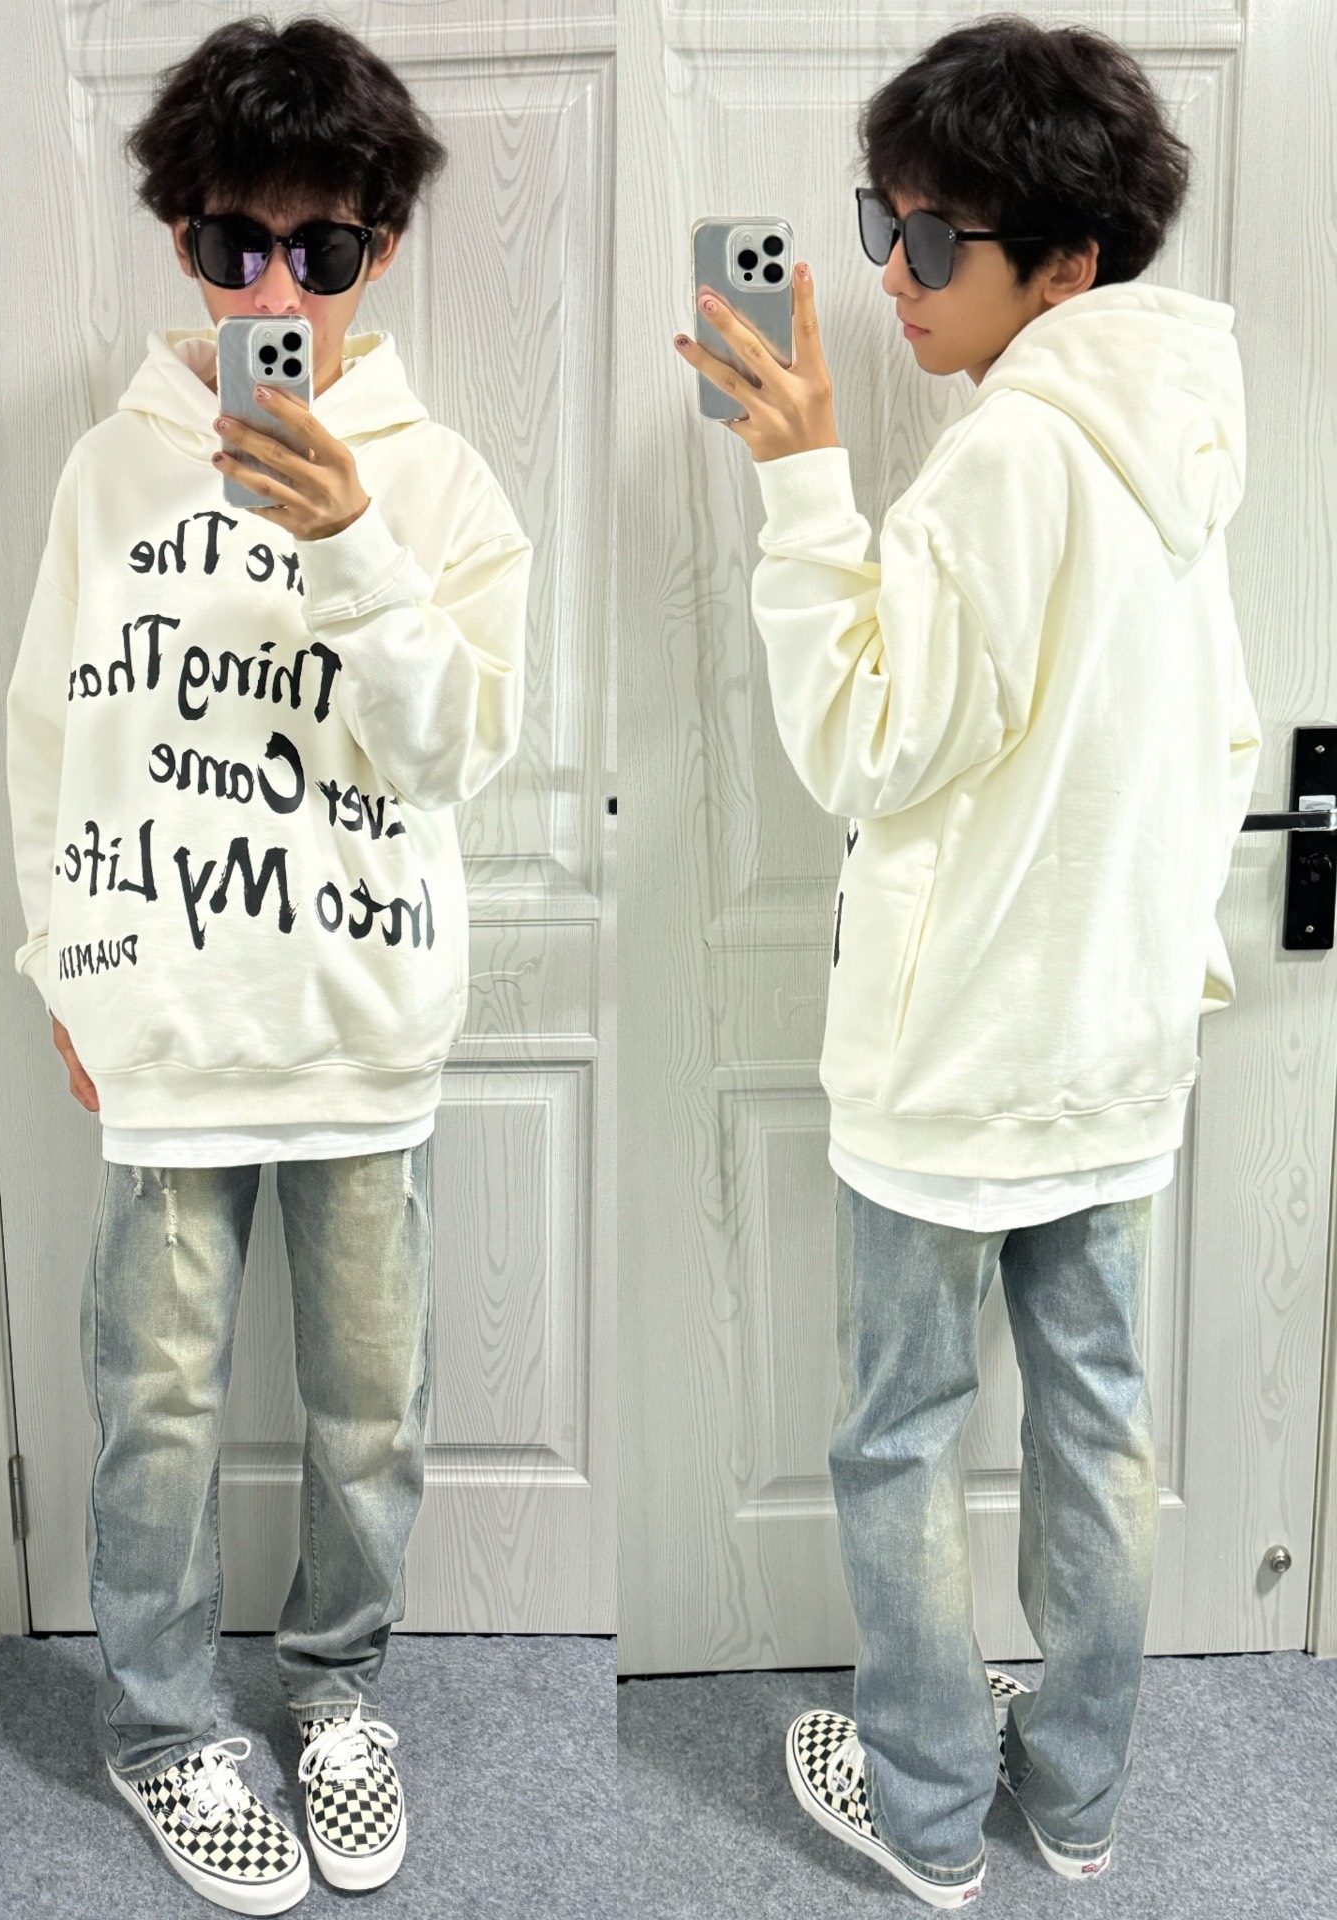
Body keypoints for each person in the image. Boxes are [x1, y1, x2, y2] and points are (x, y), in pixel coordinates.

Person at [674, 15, 1259, 1912]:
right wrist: (1164, 982)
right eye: (886, 224)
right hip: (1109, 1058)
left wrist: (802, 478)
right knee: (1097, 1433)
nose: (892, 276)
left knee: (904, 1436)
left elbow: (866, 743)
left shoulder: (1009, 460)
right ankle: (1077, 1802)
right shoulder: (1179, 454)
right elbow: (1220, 746)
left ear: (1066, 262)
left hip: (953, 1071)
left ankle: (928, 1817)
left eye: (935, 240)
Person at [5, 17, 531, 1912]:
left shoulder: (444, 485)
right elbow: (49, 739)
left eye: (323, 248)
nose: (277, 291)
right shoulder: (108, 474)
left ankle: (336, 1690)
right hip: (166, 1025)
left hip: (360, 1026)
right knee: (151, 1407)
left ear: (381, 246)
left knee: (369, 1408)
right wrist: (62, 966)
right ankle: (161, 1726)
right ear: (185, 243)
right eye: (239, 245)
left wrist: (355, 543)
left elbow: (458, 749)